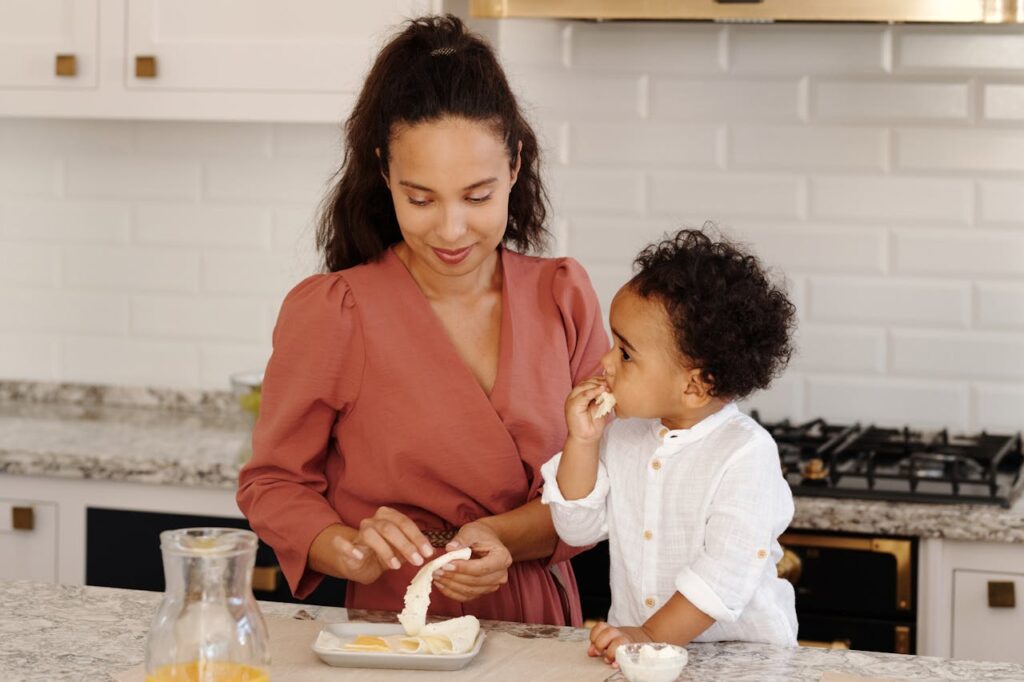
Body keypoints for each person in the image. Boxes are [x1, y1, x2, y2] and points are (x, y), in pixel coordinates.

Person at [236, 14, 608, 627]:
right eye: (421, 198)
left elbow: (600, 486)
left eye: (478, 195)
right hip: (397, 627)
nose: (452, 229)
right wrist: (344, 547)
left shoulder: (563, 297)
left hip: (544, 630)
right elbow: (274, 483)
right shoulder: (336, 312)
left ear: (515, 166)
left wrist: (503, 539)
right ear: (384, 173)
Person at [540, 229, 799, 661]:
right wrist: (583, 441)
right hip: (644, 656)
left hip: (741, 660)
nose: (605, 362)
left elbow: (724, 576)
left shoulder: (745, 454)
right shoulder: (623, 435)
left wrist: (647, 633)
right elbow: (575, 530)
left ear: (695, 386)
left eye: (625, 353)